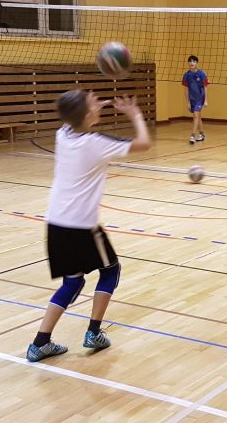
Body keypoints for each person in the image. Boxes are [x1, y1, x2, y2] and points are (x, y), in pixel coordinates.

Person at [26, 91, 152, 363]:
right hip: (82, 227)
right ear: (85, 114)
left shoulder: (62, 134)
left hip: (56, 223)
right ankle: (94, 332)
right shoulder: (96, 144)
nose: (97, 101)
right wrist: (134, 115)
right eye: (92, 101)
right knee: (111, 271)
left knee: (73, 281)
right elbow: (144, 143)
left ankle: (40, 343)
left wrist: (88, 106)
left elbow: (70, 114)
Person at [182, 55, 209, 144]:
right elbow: (186, 90)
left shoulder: (201, 74)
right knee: (198, 117)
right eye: (190, 61)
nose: (192, 63)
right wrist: (188, 102)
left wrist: (206, 100)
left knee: (195, 116)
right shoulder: (186, 75)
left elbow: (205, 87)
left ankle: (192, 135)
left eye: (194, 61)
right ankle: (202, 134)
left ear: (197, 63)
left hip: (200, 98)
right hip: (192, 99)